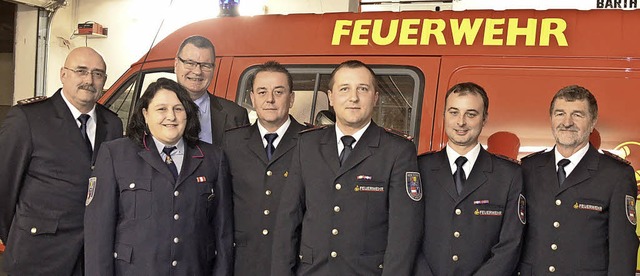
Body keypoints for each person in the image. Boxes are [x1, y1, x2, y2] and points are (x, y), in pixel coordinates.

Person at [271, 60, 424, 275]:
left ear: (376, 97)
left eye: (363, 89)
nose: (353, 97)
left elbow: (404, 233)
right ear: (331, 97)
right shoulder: (307, 145)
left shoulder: (398, 150)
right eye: (344, 89)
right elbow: (288, 219)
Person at [84, 77, 233, 275]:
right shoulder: (116, 155)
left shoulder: (212, 158)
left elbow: (223, 233)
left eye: (178, 109)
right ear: (145, 113)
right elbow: (98, 233)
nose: (170, 116)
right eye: (161, 109)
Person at [0, 47, 123, 275]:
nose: (89, 80)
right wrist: (21, 235)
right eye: (81, 71)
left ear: (104, 80)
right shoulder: (28, 118)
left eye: (97, 74)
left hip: (92, 257)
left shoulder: (113, 124)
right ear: (63, 74)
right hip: (38, 256)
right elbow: (4, 188)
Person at [517, 85, 638, 275]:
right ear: (551, 119)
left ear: (592, 122)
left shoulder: (616, 175)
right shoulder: (528, 168)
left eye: (577, 115)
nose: (567, 122)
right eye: (559, 114)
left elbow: (623, 250)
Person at [414, 82, 524, 275]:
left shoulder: (508, 175)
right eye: (454, 112)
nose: (461, 122)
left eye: (471, 114)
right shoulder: (418, 168)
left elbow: (510, 244)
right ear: (444, 115)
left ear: (484, 119)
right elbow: (406, 234)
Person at [224, 61, 306, 276]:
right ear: (252, 98)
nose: (269, 99)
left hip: (295, 263)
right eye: (262, 92)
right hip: (242, 263)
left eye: (278, 92)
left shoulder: (312, 143)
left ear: (291, 98)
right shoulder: (231, 142)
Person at [174, 35, 249, 146]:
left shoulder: (236, 115)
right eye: (190, 63)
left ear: (214, 69)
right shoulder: (155, 112)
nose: (197, 71)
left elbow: (242, 160)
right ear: (176, 64)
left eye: (205, 65)